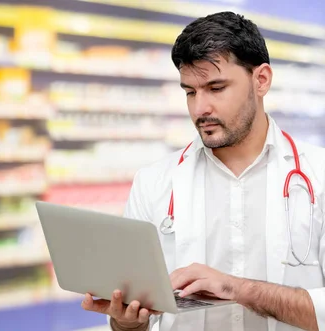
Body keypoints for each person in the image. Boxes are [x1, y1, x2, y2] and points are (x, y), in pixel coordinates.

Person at [81, 11, 325, 331]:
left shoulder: (318, 174)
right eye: (190, 92)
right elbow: (138, 321)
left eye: (216, 88)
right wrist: (126, 323)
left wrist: (238, 289)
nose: (200, 109)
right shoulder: (154, 182)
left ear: (261, 80)